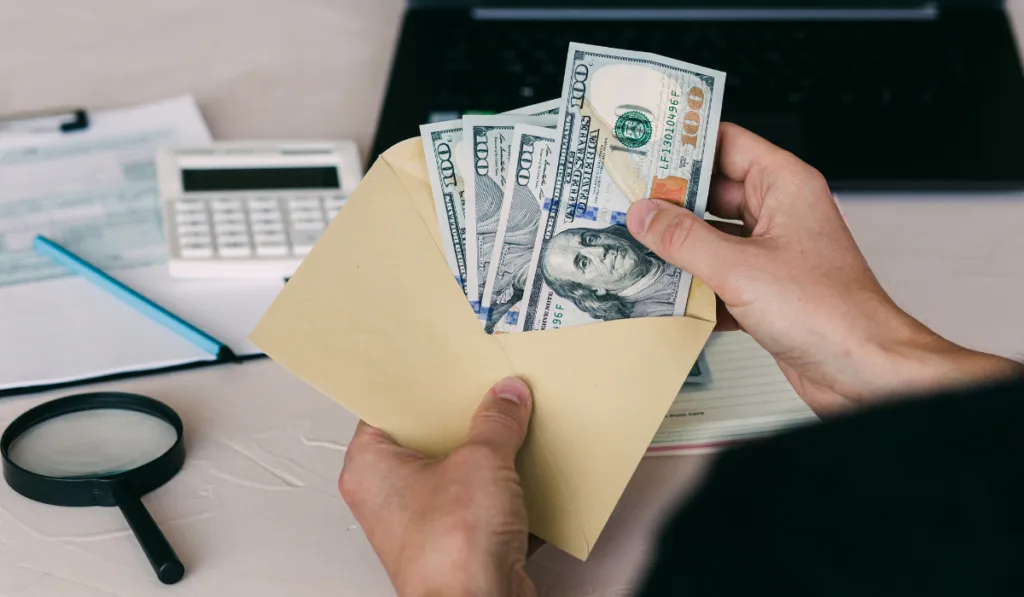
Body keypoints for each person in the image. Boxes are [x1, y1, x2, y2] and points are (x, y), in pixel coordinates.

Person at [339, 123, 1024, 597]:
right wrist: (880, 354)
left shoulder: (779, 513)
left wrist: (452, 579)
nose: (594, 253)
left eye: (581, 243)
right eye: (578, 262)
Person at [539, 224, 682, 320]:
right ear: (594, 290)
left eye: (590, 239)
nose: (600, 250)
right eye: (584, 263)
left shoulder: (666, 236)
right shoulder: (655, 320)